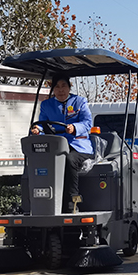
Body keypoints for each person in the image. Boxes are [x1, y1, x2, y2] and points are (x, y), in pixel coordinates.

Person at [31, 73, 94, 213]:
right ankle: (43, 200)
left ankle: (72, 200)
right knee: (43, 161)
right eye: (57, 87)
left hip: (79, 147)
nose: (60, 90)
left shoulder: (80, 102)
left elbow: (87, 123)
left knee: (69, 159)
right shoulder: (47, 105)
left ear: (69, 87)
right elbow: (42, 123)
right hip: (56, 145)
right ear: (53, 89)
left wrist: (75, 128)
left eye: (63, 86)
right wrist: (37, 129)